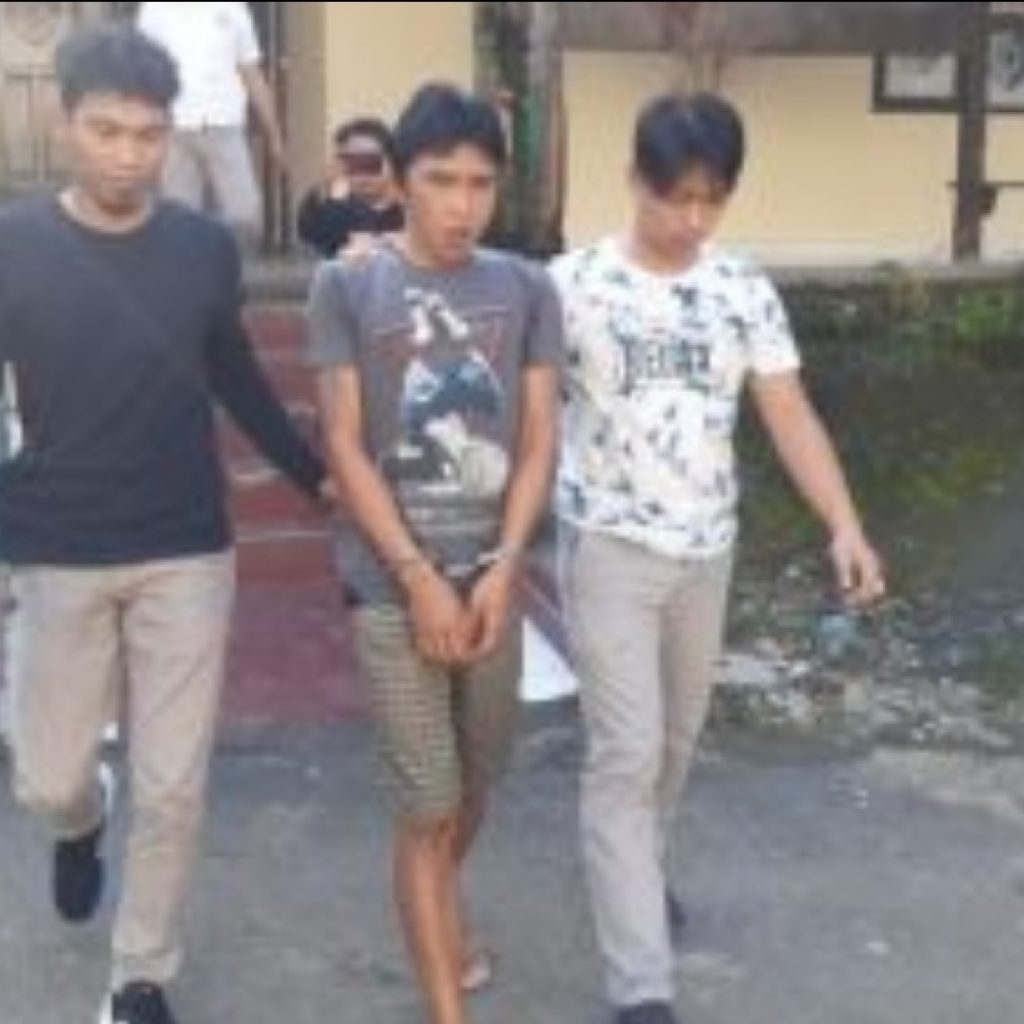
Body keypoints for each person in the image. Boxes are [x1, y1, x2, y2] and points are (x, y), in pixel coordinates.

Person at [0, 24, 327, 1024]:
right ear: (67, 125)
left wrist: (316, 477)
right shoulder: (13, 246)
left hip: (184, 545)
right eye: (106, 131)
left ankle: (138, 976)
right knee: (46, 778)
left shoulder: (199, 248)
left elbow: (235, 374)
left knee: (175, 785)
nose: (128, 155)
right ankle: (81, 820)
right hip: (56, 546)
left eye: (148, 135)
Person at [550, 92, 885, 1024]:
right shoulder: (570, 285)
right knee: (626, 755)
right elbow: (503, 370)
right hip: (608, 549)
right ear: (635, 179)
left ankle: (637, 871)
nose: (692, 219)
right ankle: (642, 988)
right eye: (675, 196)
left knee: (673, 745)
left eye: (712, 199)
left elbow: (787, 411)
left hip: (707, 552)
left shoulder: (741, 288)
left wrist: (845, 524)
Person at [308, 82, 562, 1024]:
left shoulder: (527, 287)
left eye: (480, 183)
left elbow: (538, 437)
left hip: (493, 583)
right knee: (427, 805)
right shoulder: (348, 285)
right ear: (400, 181)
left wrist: (503, 567)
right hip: (389, 586)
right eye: (440, 180)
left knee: (475, 784)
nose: (462, 204)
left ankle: (439, 909)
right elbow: (343, 444)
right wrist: (417, 578)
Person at [136, 1, 285, 241]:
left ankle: (228, 260)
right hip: (173, 127)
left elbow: (252, 73)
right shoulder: (154, 10)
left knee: (244, 213)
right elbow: (142, 72)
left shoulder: (234, 8)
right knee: (179, 219)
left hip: (224, 123)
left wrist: (274, 135)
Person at [296, 116, 404, 258]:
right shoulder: (322, 201)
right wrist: (337, 202)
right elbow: (323, 239)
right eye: (353, 163)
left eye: (371, 162)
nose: (363, 175)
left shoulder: (408, 204)